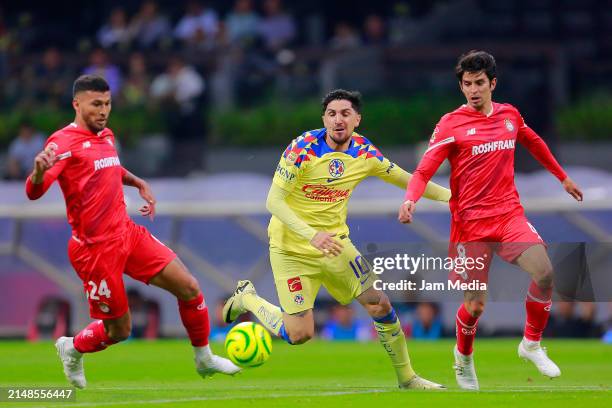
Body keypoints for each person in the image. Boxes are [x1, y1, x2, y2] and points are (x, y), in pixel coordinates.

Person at [223, 89, 450, 390]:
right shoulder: (302, 148)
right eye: (332, 114)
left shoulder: (365, 153)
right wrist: (311, 235)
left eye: (345, 113)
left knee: (379, 304)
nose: (338, 119)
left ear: (357, 119)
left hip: (335, 246)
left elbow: (408, 179)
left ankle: (407, 378)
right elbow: (273, 202)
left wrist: (453, 199)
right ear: (324, 119)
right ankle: (247, 298)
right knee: (300, 334)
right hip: (291, 248)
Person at [24, 75, 239, 389]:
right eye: (96, 104)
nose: (103, 111)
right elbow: (33, 192)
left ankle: (204, 357)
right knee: (119, 331)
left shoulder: (107, 135)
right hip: (94, 250)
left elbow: (108, 166)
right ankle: (72, 347)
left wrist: (136, 181)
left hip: (126, 233)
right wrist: (39, 171)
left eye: (107, 103)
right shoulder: (61, 143)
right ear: (77, 104)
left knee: (189, 287)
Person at [398, 50, 584, 390]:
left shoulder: (510, 115)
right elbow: (424, 169)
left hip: (508, 215)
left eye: (479, 83)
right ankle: (463, 358)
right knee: (475, 304)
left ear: (492, 83)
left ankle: (530, 344)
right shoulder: (450, 124)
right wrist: (410, 199)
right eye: (467, 84)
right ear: (461, 87)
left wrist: (562, 177)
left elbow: (533, 141)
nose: (473, 89)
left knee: (544, 273)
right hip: (471, 226)